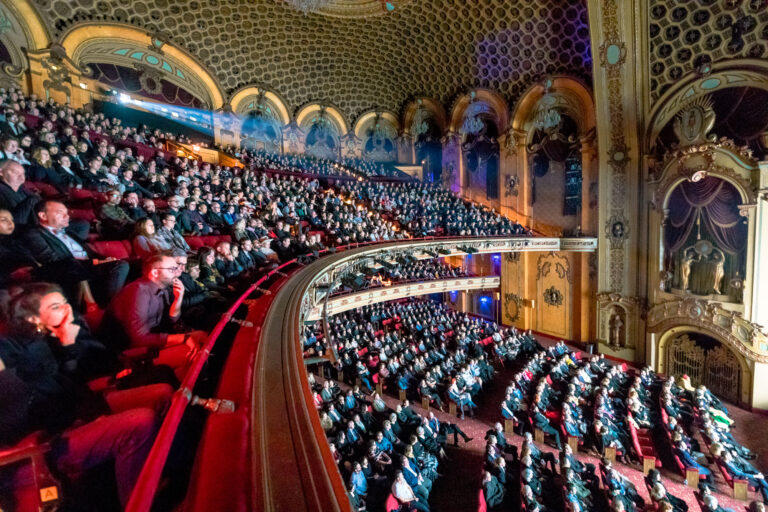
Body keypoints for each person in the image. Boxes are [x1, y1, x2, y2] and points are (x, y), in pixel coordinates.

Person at [0, 282, 173, 507]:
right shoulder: (13, 348)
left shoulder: (50, 335)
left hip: (74, 408)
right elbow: (26, 410)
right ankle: (137, 503)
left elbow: (75, 380)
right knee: (140, 422)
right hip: (43, 440)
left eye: (64, 303)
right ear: (33, 318)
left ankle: (161, 473)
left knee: (162, 393)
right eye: (56, 307)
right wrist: (65, 346)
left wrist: (68, 342)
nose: (66, 309)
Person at [102, 252, 207, 378]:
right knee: (194, 352)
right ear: (155, 272)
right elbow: (138, 338)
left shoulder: (162, 288)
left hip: (152, 339)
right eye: (172, 269)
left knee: (202, 336)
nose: (177, 272)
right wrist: (183, 338)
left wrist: (178, 299)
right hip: (127, 352)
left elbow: (172, 321)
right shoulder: (138, 291)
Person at [22, 200, 129, 307]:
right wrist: (98, 262)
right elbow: (52, 260)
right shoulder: (33, 233)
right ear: (43, 216)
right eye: (60, 212)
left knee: (134, 264)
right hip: (70, 271)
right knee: (120, 266)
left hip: (91, 266)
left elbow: (90, 253)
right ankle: (111, 309)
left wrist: (106, 259)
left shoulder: (69, 233)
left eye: (67, 213)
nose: (67, 216)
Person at [0, 159, 39, 226]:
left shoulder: (24, 191)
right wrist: (31, 201)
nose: (22, 177)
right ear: (1, 172)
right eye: (15, 172)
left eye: (23, 173)